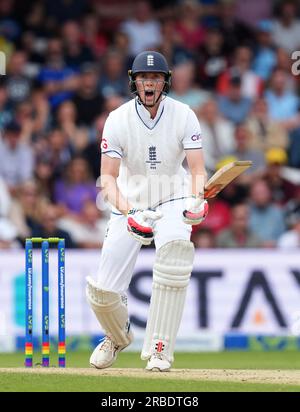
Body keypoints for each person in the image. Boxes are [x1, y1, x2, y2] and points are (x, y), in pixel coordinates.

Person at [86, 51, 208, 372]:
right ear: (134, 82)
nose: (149, 83)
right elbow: (108, 179)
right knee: (103, 292)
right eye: (143, 78)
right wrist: (130, 212)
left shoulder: (184, 114)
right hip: (130, 201)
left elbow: (197, 169)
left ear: (164, 82)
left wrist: (197, 199)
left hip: (172, 200)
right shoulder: (118, 119)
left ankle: (159, 348)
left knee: (174, 262)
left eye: (154, 78)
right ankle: (116, 335)